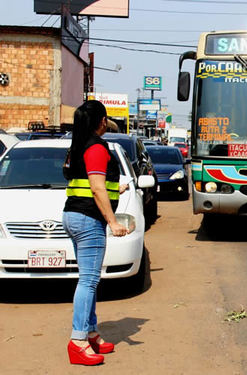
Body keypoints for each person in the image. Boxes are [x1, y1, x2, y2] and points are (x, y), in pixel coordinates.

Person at [63, 100, 129, 365]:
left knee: (88, 279)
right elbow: (97, 187)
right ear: (102, 121)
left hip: (75, 215)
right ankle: (78, 341)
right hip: (88, 220)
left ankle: (90, 333)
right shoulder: (96, 147)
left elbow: (94, 183)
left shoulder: (78, 145)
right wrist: (112, 222)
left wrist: (118, 189)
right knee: (89, 281)